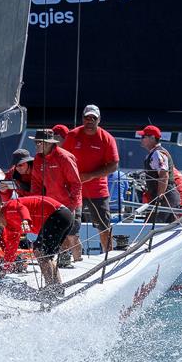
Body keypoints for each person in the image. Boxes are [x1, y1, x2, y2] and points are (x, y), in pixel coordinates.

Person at [63, 104, 119, 252]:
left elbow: (114, 165)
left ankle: (109, 256)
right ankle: (66, 258)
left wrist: (91, 175)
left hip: (98, 190)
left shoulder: (107, 138)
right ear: (82, 118)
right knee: (68, 224)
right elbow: (62, 159)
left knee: (104, 225)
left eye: (93, 118)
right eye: (87, 118)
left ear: (99, 120)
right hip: (74, 189)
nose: (90, 121)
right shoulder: (72, 135)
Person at [0, 195, 73, 287]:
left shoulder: (8, 208)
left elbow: (22, 208)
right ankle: (57, 288)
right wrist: (4, 271)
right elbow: (11, 250)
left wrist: (25, 220)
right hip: (63, 217)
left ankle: (50, 289)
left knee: (40, 252)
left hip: (59, 214)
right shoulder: (10, 227)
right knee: (47, 256)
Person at [28, 130, 83, 265]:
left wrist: (72, 205)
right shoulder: (38, 159)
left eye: (39, 142)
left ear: (48, 143)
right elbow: (36, 183)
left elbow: (76, 183)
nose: (36, 145)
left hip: (70, 202)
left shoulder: (64, 157)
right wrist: (34, 203)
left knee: (72, 235)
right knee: (60, 233)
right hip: (52, 203)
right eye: (35, 142)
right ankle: (64, 260)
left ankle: (78, 261)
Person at [136, 125, 180, 222]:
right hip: (164, 198)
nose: (141, 139)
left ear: (152, 138)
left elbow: (164, 175)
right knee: (154, 227)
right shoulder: (154, 153)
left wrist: (159, 197)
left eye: (143, 137)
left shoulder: (157, 153)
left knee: (151, 227)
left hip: (165, 199)